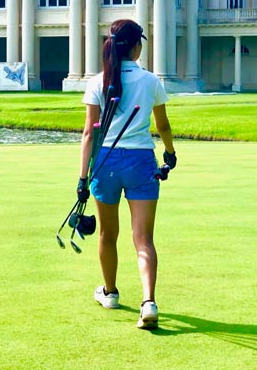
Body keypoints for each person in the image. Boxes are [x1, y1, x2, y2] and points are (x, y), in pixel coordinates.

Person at [77, 19, 176, 330]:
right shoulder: (151, 81)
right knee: (143, 239)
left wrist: (82, 179)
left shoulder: (97, 81)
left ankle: (110, 293)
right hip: (141, 162)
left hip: (105, 162)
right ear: (136, 46)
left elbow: (88, 135)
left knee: (108, 234)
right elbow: (162, 126)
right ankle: (149, 302)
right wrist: (170, 154)